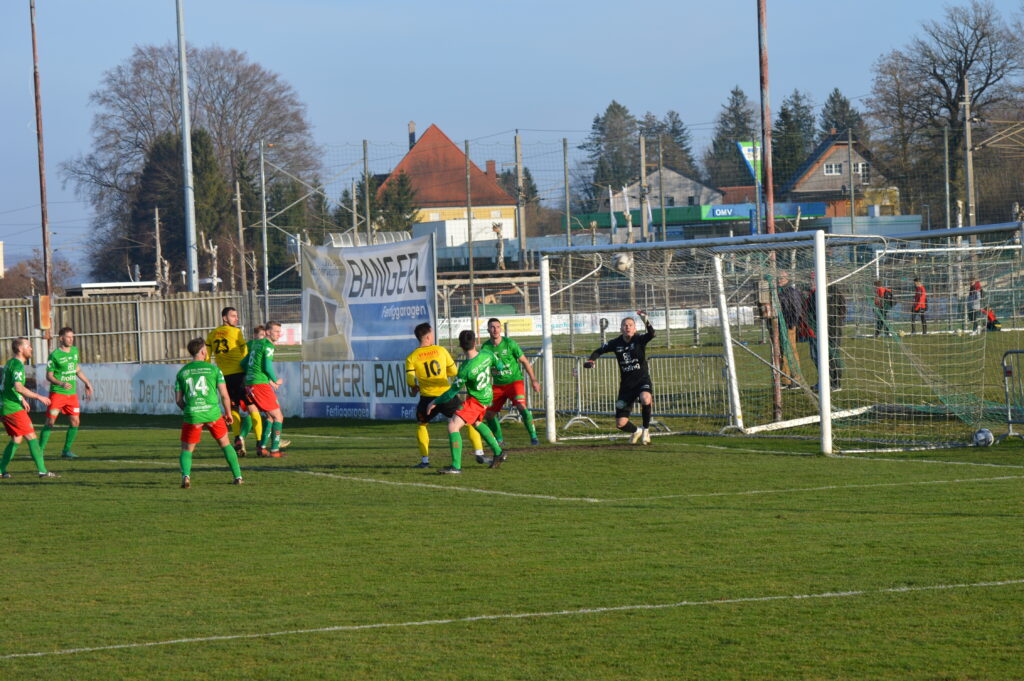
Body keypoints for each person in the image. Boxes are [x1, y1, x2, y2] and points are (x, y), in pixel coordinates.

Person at [404, 322, 487, 468]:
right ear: (429, 336)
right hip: (446, 395)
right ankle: (479, 452)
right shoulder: (441, 351)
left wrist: (414, 386)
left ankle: (425, 461)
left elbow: (410, 379)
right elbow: (454, 372)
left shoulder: (412, 357)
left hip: (427, 398)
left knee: (422, 425)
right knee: (469, 420)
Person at [427, 330, 504, 474]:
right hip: (487, 397)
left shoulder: (464, 369)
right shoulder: (487, 354)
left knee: (453, 426)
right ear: (475, 342)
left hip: (477, 400)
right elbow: (498, 365)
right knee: (476, 423)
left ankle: (456, 467)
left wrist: (435, 402)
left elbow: (451, 392)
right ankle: (499, 453)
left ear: (461, 346)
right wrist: (498, 369)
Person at [175, 337, 243, 488]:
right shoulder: (214, 369)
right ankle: (238, 476)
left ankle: (186, 477)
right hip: (213, 413)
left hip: (193, 414)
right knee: (225, 444)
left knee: (187, 449)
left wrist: (189, 410)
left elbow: (178, 400)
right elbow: (225, 396)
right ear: (204, 352)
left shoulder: (182, 372)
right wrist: (228, 414)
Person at [583, 310, 655, 444]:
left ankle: (646, 430)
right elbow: (599, 351)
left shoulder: (639, 339)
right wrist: (591, 360)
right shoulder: (616, 343)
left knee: (645, 398)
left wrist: (645, 320)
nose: (628, 327)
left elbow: (652, 334)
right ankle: (636, 431)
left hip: (641, 381)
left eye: (630, 325)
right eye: (625, 325)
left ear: (635, 328)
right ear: (621, 328)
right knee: (621, 424)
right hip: (626, 386)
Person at [0, 337, 56, 479]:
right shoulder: (17, 365)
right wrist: (39, 397)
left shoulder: (10, 363)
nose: (31, 348)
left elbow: (8, 386)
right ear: (20, 349)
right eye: (28, 346)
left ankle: (1, 469)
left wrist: (21, 398)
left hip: (6, 405)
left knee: (17, 438)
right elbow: (18, 386)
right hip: (12, 408)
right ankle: (43, 471)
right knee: (31, 436)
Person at [205, 307, 258, 456]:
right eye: (233, 316)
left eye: (236, 316)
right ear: (224, 318)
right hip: (240, 375)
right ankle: (261, 444)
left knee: (233, 408)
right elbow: (245, 350)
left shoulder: (211, 334)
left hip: (223, 377)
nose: (236, 319)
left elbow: (207, 358)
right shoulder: (236, 332)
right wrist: (244, 365)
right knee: (252, 408)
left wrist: (210, 372)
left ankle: (237, 438)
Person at [481, 318, 542, 446]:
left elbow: (525, 361)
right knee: (489, 414)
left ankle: (534, 437)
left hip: (514, 382)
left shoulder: (510, 343)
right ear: (488, 330)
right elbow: (483, 366)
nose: (495, 330)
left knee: (522, 407)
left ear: (501, 329)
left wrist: (534, 380)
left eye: (497, 327)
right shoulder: (485, 347)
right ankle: (499, 440)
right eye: (492, 327)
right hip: (498, 385)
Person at [39, 326, 94, 459]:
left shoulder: (74, 351)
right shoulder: (54, 355)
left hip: (71, 395)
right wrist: (61, 383)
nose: (71, 339)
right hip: (57, 393)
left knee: (75, 421)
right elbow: (49, 376)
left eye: (72, 337)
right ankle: (39, 451)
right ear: (61, 338)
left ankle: (66, 450)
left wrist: (87, 382)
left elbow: (76, 368)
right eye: (68, 337)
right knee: (50, 422)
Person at [244, 321, 287, 457]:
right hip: (260, 384)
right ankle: (274, 450)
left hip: (250, 384)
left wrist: (251, 374)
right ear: (268, 332)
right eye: (276, 332)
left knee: (269, 416)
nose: (278, 335)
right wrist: (275, 380)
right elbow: (268, 367)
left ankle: (262, 447)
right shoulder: (268, 345)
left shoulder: (256, 343)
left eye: (279, 332)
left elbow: (243, 363)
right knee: (278, 416)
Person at [807, 284, 847, 392]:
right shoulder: (815, 293)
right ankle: (823, 381)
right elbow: (809, 311)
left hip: (834, 329)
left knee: (833, 355)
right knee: (817, 356)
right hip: (819, 329)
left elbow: (842, 308)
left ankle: (836, 383)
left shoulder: (835, 291)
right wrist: (813, 325)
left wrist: (837, 321)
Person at [776, 271, 805, 387]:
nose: (779, 280)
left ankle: (796, 378)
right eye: (778, 278)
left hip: (788, 325)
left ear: (787, 278)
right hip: (780, 325)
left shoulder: (791, 291)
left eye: (781, 278)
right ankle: (785, 379)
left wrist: (792, 323)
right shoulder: (779, 292)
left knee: (791, 351)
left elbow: (797, 308)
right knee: (783, 352)